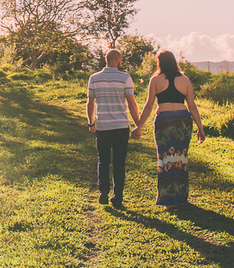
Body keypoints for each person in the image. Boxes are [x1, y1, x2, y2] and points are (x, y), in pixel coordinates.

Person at [134, 50, 205, 209]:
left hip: (164, 120)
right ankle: (181, 197)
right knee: (180, 158)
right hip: (183, 121)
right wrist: (200, 128)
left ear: (160, 63)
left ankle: (169, 200)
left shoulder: (155, 80)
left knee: (165, 158)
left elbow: (149, 106)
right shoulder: (185, 80)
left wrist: (139, 127)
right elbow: (192, 107)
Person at [86, 48, 141, 209]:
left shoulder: (94, 78)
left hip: (103, 125)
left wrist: (91, 122)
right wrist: (138, 124)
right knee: (119, 163)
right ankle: (117, 197)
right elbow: (131, 103)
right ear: (116, 60)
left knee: (103, 160)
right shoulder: (125, 78)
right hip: (120, 126)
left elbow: (90, 102)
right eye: (121, 60)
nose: (122, 63)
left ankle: (103, 190)